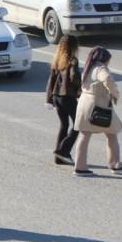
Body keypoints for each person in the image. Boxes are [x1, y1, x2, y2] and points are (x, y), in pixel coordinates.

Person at [73, 46, 122, 175]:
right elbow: (108, 79)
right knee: (112, 133)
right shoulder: (100, 68)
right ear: (104, 59)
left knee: (84, 135)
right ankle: (115, 163)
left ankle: (80, 166)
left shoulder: (88, 67)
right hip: (98, 105)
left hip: (84, 103)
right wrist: (115, 93)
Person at [45, 35, 82, 166]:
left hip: (56, 97)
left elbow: (51, 81)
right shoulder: (72, 60)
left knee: (64, 125)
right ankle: (63, 151)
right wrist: (80, 87)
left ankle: (58, 158)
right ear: (73, 46)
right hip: (68, 96)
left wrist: (49, 99)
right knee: (78, 125)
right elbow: (74, 76)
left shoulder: (56, 59)